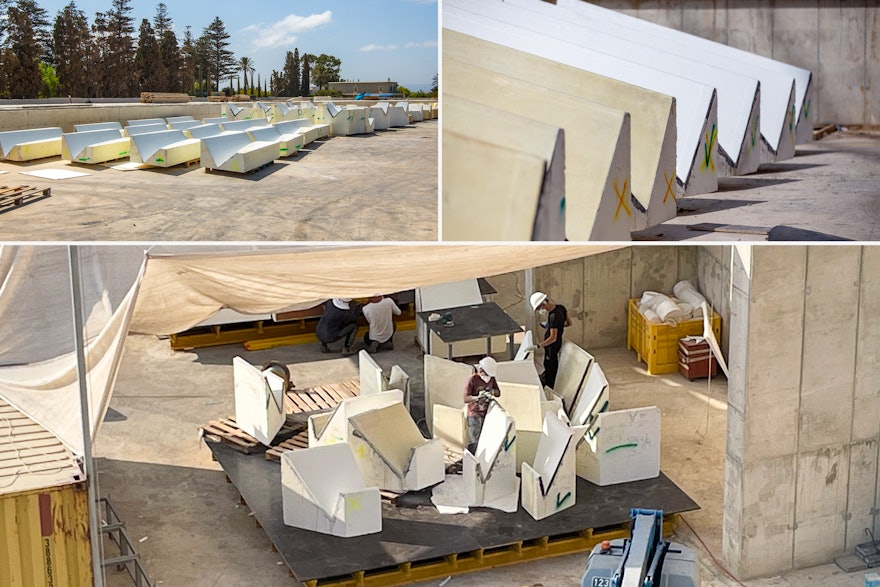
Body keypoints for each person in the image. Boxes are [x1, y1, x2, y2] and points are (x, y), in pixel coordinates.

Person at [530, 291, 572, 388]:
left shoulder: (553, 316)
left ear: (544, 303)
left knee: (550, 369)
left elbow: (553, 338)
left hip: (551, 348)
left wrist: (539, 345)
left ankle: (550, 388)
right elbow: (569, 323)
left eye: (540, 307)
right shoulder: (561, 308)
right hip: (557, 344)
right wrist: (551, 327)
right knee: (551, 367)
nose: (541, 310)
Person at [463, 356, 501, 454]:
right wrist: (477, 398)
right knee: (474, 441)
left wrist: (492, 391)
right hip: (474, 414)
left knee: (485, 438)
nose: (487, 379)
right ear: (481, 370)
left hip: (486, 413)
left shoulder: (492, 379)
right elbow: (465, 398)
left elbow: (498, 393)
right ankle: (470, 460)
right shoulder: (472, 380)